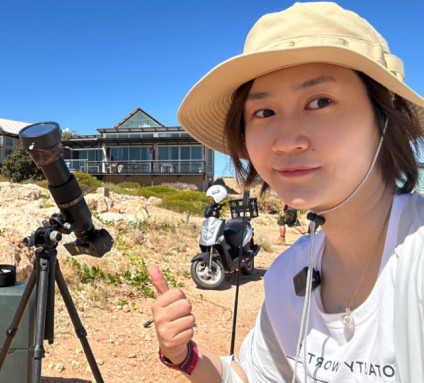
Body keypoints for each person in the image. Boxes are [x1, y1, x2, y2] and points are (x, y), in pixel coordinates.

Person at [148, 2, 424, 382]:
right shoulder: (288, 274)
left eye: (320, 102)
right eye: (263, 112)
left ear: (385, 114)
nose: (286, 141)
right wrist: (184, 356)